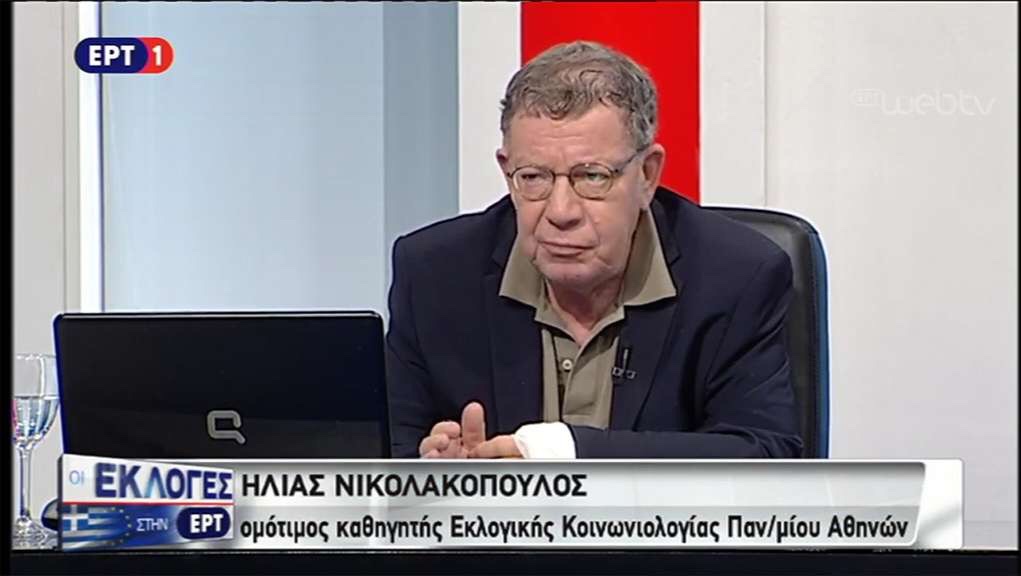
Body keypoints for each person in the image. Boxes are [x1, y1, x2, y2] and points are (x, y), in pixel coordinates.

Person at [386, 41, 801, 459]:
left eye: (591, 177)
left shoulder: (737, 277)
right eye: (533, 177)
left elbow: (764, 453)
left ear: (647, 175)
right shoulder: (434, 276)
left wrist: (561, 452)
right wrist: (434, 474)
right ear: (506, 169)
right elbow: (382, 456)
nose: (560, 211)